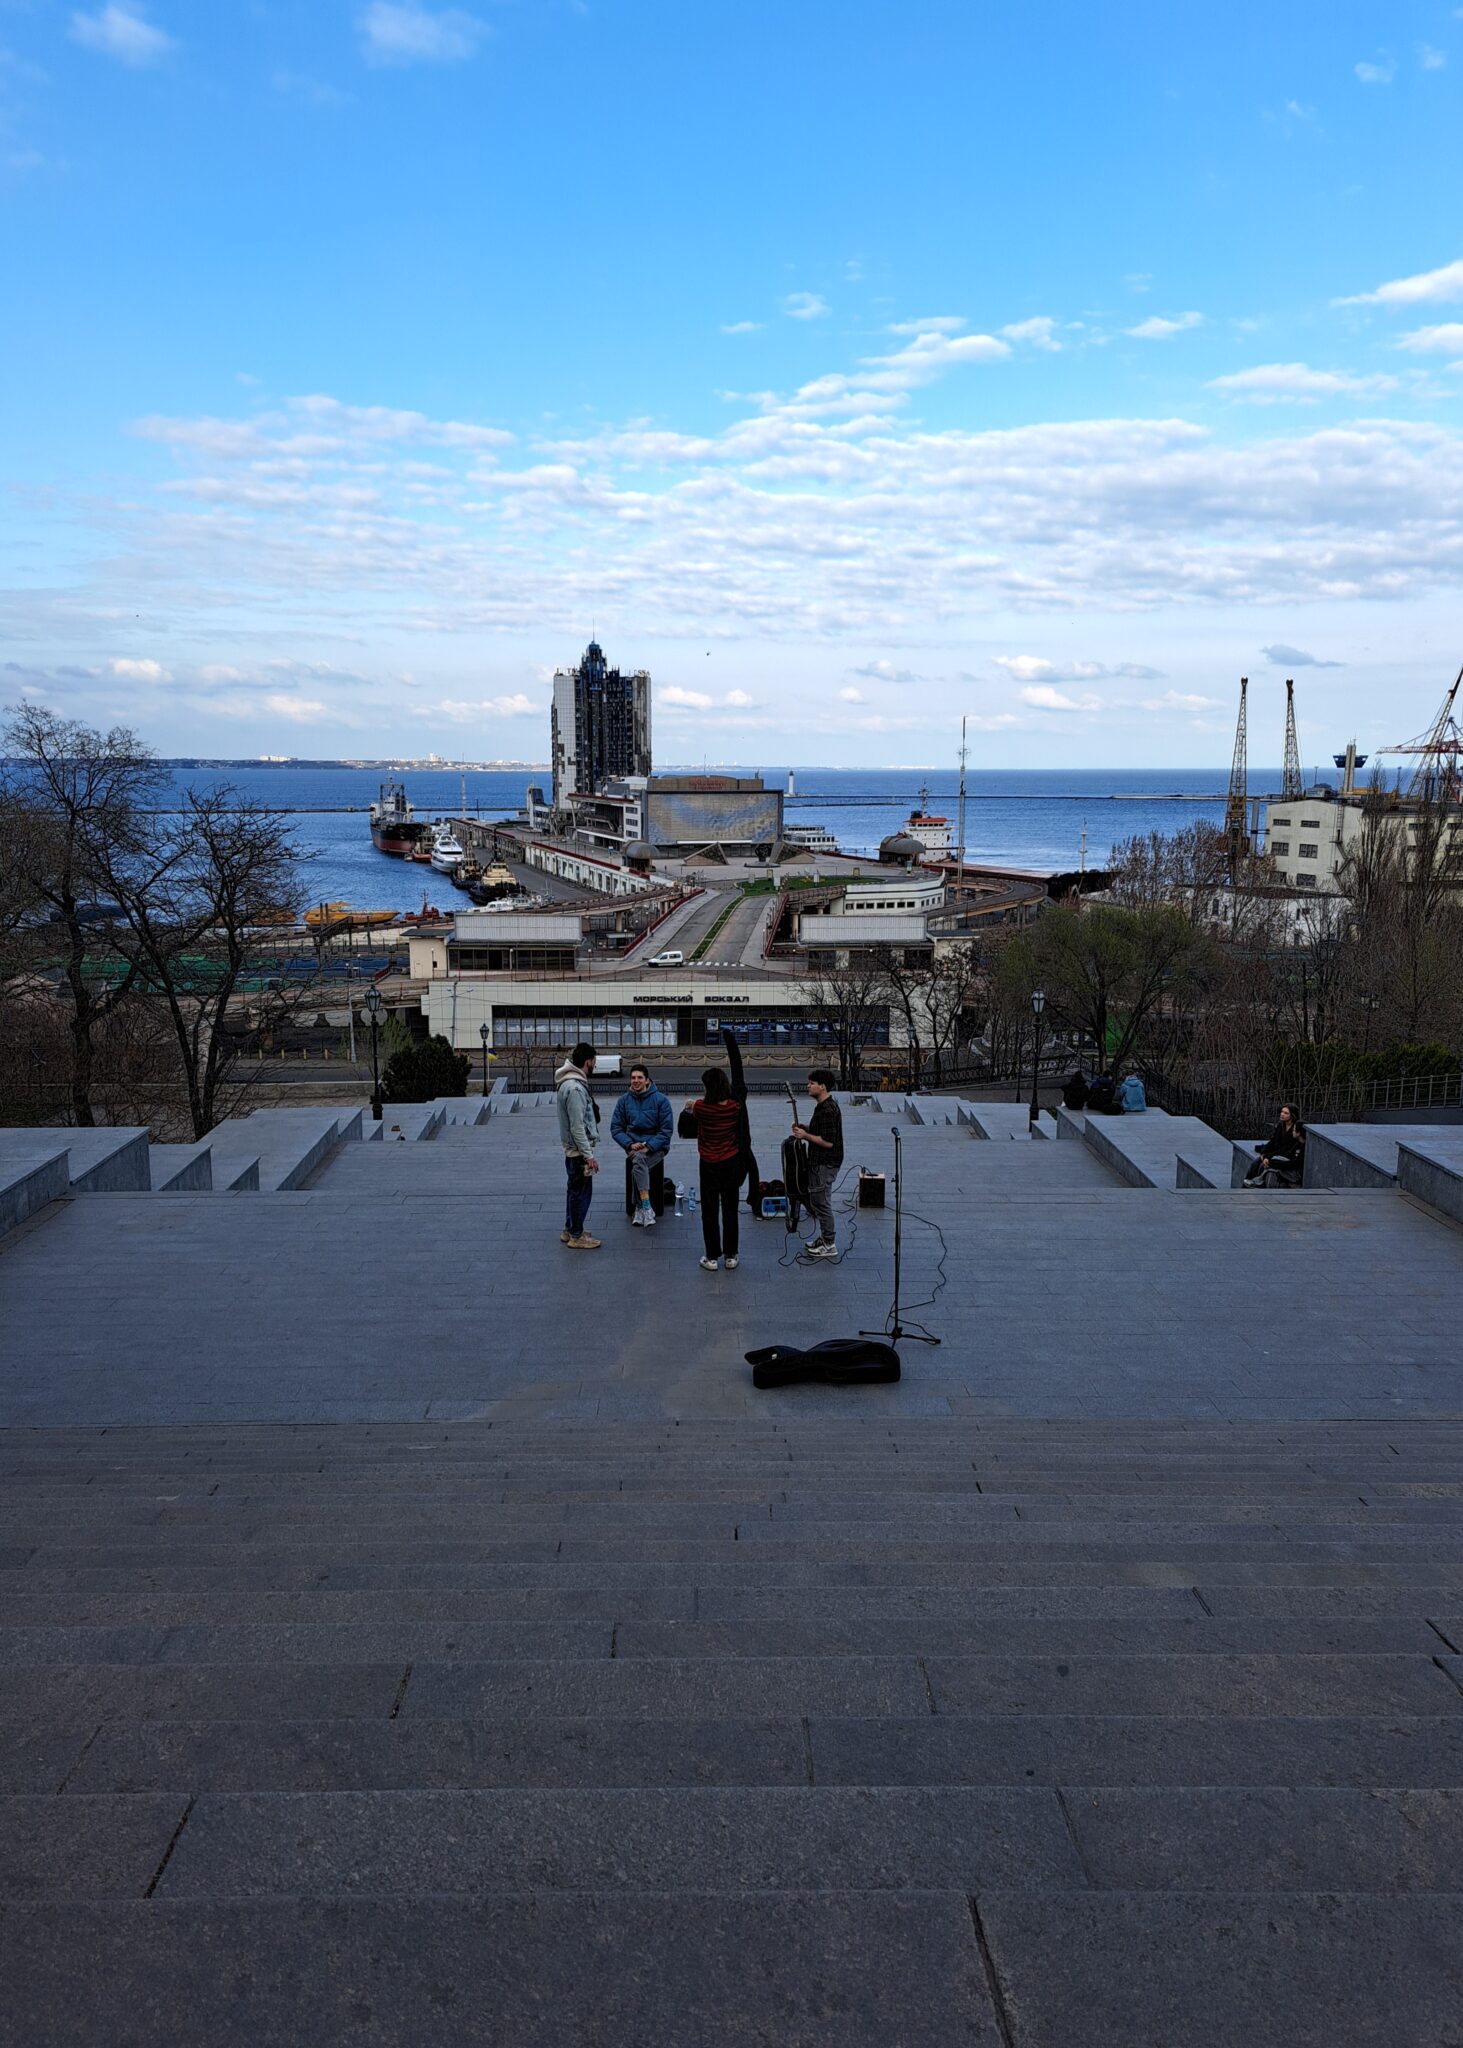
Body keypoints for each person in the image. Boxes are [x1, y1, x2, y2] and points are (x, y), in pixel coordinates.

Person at [682, 1067, 746, 1271]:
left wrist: (690, 1105)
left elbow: (693, 1109)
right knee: (730, 1209)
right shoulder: (735, 1107)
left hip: (708, 1163)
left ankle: (711, 1257)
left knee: (709, 1211)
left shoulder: (701, 1108)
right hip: (730, 1161)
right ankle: (731, 1255)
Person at [611, 1062, 673, 1227]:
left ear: (647, 1080)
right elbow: (616, 1128)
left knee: (638, 1161)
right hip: (634, 1146)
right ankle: (645, 1208)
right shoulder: (623, 1101)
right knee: (639, 1159)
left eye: (639, 1078)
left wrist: (649, 1146)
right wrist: (630, 1144)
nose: (635, 1081)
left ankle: (641, 1207)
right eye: (633, 1078)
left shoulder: (661, 1100)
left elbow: (666, 1130)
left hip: (656, 1147)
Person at [791, 1068, 844, 1260]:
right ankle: (825, 1238)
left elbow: (828, 1142)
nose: (808, 1086)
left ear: (822, 1086)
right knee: (819, 1201)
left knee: (822, 1203)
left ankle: (829, 1243)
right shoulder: (823, 1107)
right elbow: (821, 1131)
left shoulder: (828, 1109)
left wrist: (805, 1136)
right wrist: (806, 1128)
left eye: (812, 1083)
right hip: (821, 1161)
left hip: (824, 1162)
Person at [555, 1041, 600, 1249]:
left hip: (574, 1150)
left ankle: (570, 1229)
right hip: (578, 1152)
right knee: (581, 1192)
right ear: (588, 1061)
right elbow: (577, 1126)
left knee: (574, 1191)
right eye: (594, 1061)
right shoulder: (575, 1089)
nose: (594, 1065)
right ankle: (576, 1235)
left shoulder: (571, 1083)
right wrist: (589, 1155)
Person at [1244, 1103, 1306, 1189]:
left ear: (1292, 1115)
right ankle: (1246, 1185)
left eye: (1286, 1113)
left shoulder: (1296, 1129)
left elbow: (1287, 1150)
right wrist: (1264, 1152)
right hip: (1275, 1152)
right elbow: (1273, 1141)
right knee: (1255, 1163)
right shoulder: (1281, 1125)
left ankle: (1257, 1184)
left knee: (1265, 1166)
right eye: (1282, 1112)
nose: (1282, 1114)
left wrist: (1268, 1157)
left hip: (1285, 1156)